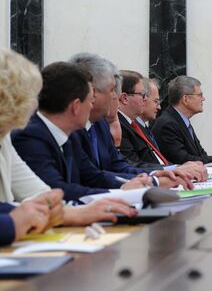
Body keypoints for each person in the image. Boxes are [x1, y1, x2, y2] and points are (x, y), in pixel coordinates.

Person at [0, 49, 135, 228]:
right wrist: (15, 222)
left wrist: (65, 211)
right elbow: (46, 198)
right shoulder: (29, 135)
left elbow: (42, 194)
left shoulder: (5, 138)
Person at [11, 62, 152, 202]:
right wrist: (121, 193)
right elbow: (57, 190)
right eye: (91, 100)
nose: (92, 105)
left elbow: (91, 175)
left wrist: (126, 186)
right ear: (76, 106)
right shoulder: (30, 137)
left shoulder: (70, 134)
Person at [68, 53, 195, 188]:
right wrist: (154, 181)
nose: (114, 96)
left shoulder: (100, 124)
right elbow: (88, 179)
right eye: (112, 90)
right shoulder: (73, 128)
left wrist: (156, 175)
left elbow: (116, 166)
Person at [117, 71, 207, 181]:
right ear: (124, 98)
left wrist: (178, 169)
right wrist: (175, 169)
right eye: (142, 95)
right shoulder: (119, 125)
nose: (145, 100)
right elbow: (131, 165)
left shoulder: (136, 125)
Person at [152, 75, 212, 164]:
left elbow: (201, 155)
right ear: (186, 99)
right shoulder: (168, 124)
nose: (203, 99)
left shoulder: (182, 121)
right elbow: (183, 159)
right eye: (200, 95)